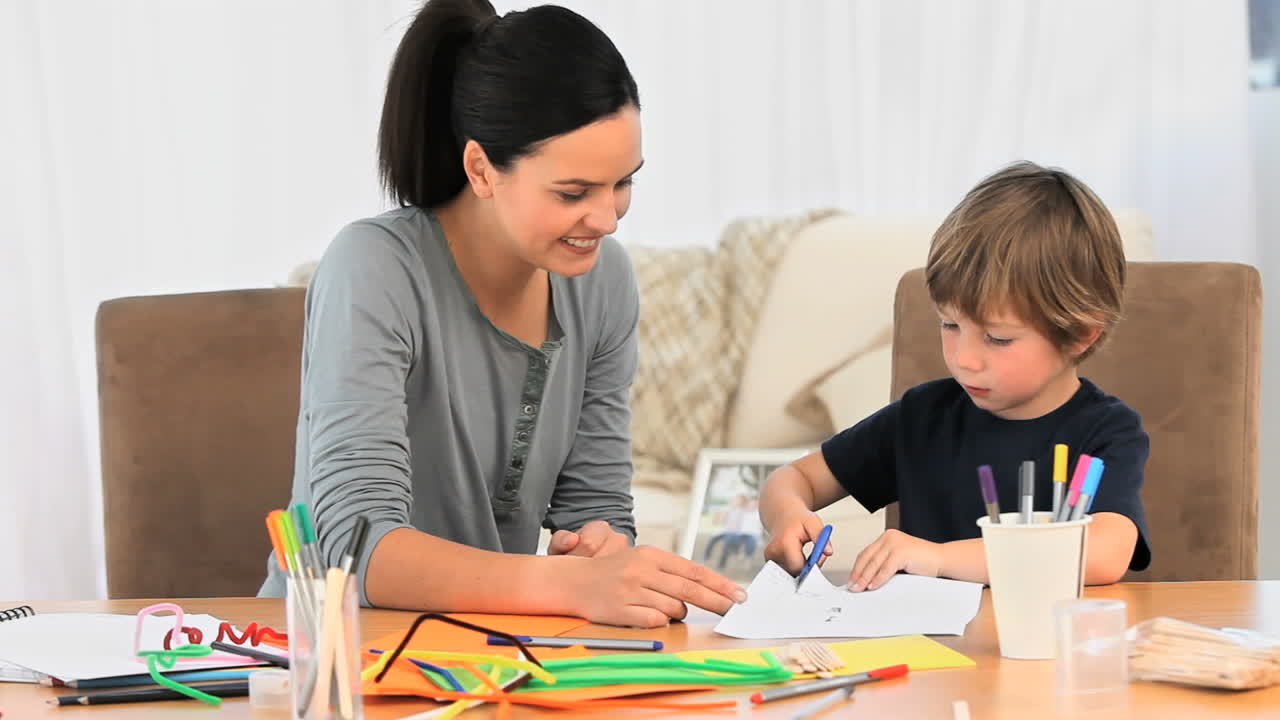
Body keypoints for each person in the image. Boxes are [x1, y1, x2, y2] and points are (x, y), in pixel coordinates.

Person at [258, 0, 747, 629]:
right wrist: (565, 584)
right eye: (573, 193)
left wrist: (599, 550)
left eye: (623, 183)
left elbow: (596, 506)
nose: (607, 218)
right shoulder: (373, 268)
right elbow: (356, 547)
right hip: (337, 653)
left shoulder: (604, 282)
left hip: (489, 651)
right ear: (481, 170)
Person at [759, 161, 1152, 592]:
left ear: (1078, 334)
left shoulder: (1107, 431)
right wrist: (787, 515)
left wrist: (939, 557)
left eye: (998, 338)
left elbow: (1104, 554)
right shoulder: (922, 418)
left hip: (1046, 650)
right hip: (932, 652)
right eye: (950, 325)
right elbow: (792, 480)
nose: (964, 359)